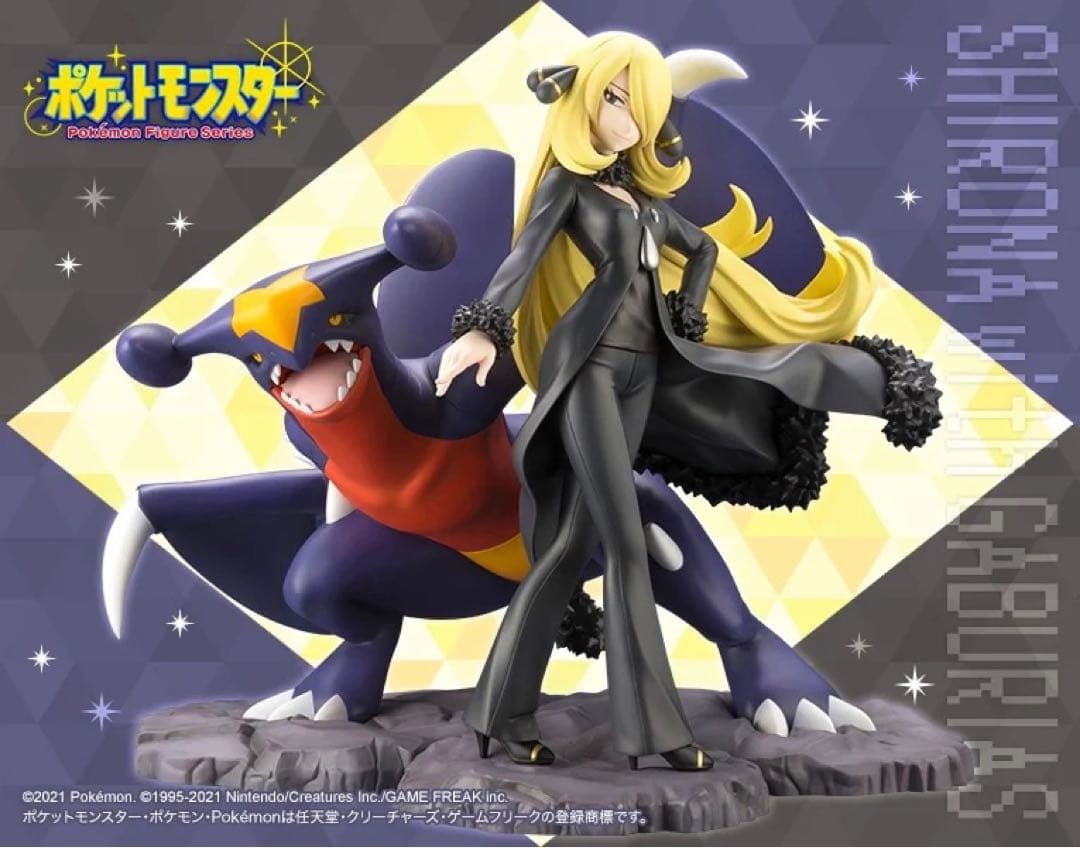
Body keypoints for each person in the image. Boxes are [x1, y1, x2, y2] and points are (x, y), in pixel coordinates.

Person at [434, 32, 940, 771]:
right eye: (614, 98)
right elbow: (523, 259)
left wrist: (692, 311)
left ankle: (497, 714)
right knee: (625, 545)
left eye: (639, 105)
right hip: (589, 373)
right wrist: (484, 330)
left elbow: (703, 250)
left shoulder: (642, 202)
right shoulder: (566, 189)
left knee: (570, 548)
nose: (627, 118)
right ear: (583, 99)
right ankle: (656, 734)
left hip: (643, 372)